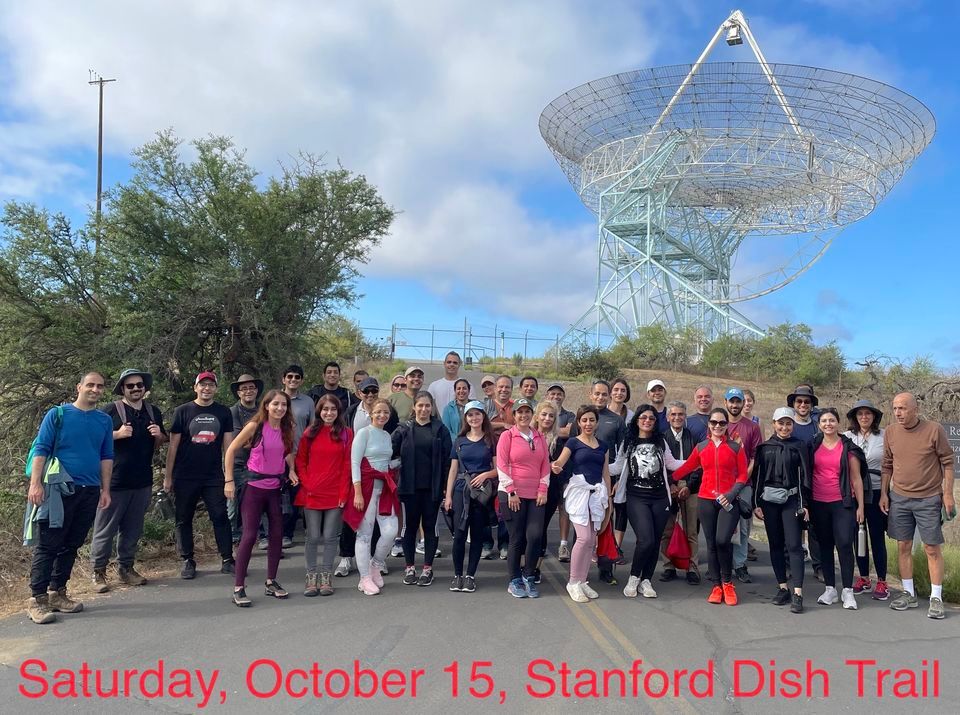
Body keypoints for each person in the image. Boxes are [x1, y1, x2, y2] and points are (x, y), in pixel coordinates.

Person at [24, 371, 114, 624]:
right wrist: (35, 485)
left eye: (99, 386)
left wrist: (105, 489)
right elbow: (41, 448)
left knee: (72, 543)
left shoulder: (104, 420)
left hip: (89, 489)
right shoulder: (58, 414)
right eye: (90, 385)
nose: (95, 390)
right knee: (49, 544)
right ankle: (37, 599)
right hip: (57, 489)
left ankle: (58, 592)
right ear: (79, 387)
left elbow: (106, 455)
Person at [90, 369, 167, 593]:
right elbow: (93, 439)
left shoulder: (153, 412)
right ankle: (98, 572)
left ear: (145, 388)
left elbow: (161, 441)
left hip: (142, 480)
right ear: (122, 389)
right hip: (114, 481)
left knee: (133, 529)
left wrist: (159, 436)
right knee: (105, 529)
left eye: (139, 385)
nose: (135, 389)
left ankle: (126, 568)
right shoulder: (110, 411)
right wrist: (116, 434)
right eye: (130, 386)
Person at [881, 392, 955, 619]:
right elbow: (887, 465)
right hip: (900, 498)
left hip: (928, 498)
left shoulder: (934, 429)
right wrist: (884, 493)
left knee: (931, 548)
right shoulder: (891, 432)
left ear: (915, 409)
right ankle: (908, 593)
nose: (897, 413)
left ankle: (936, 597)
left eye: (902, 408)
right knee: (903, 545)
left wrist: (948, 494)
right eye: (894, 408)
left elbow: (948, 462)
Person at [224, 390, 299, 606]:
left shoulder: (287, 428)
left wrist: (291, 470)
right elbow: (231, 451)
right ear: (266, 405)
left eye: (283, 405)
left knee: (277, 534)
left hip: (275, 487)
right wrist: (228, 480)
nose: (280, 408)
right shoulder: (255, 426)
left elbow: (287, 452)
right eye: (275, 404)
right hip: (254, 487)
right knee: (249, 536)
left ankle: (271, 581)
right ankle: (239, 587)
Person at [671, 407, 749, 605]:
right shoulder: (701, 446)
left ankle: (728, 583)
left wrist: (731, 495)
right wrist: (667, 480)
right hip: (705, 500)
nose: (717, 426)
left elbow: (742, 475)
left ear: (726, 425)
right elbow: (685, 468)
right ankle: (716, 586)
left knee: (723, 541)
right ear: (709, 424)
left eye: (722, 423)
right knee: (712, 544)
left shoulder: (735, 448)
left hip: (728, 501)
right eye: (714, 422)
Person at [164, 371, 235, 580]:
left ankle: (227, 559)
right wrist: (168, 477)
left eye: (211, 385)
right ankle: (187, 559)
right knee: (183, 518)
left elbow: (228, 448)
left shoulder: (223, 412)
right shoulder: (182, 411)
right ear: (195, 387)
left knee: (220, 516)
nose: (206, 388)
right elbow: (173, 447)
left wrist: (228, 477)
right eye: (202, 385)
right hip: (185, 475)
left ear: (215, 388)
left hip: (213, 476)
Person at [609, 405, 683, 600]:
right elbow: (617, 467)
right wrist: (593, 461)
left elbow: (672, 463)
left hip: (660, 498)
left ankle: (646, 580)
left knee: (655, 540)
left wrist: (698, 458)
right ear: (637, 420)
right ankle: (634, 577)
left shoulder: (661, 441)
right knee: (646, 539)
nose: (647, 421)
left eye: (651, 418)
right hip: (636, 497)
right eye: (643, 417)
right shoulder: (629, 441)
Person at [752, 407, 812, 614]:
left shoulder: (799, 446)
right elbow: (757, 478)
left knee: (794, 545)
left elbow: (805, 477)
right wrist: (755, 503)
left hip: (791, 500)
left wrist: (803, 505)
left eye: (788, 424)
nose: (784, 427)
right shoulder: (764, 447)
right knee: (775, 544)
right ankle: (782, 587)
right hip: (769, 502)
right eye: (781, 423)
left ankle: (798, 592)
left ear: (792, 425)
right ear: (774, 424)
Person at [392, 392, 452, 587]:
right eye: (420, 406)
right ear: (414, 407)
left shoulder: (439, 429)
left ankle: (427, 568)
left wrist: (444, 487)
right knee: (409, 528)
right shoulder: (404, 429)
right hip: (409, 488)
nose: (424, 410)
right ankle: (409, 567)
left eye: (427, 406)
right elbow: (388, 450)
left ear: (432, 407)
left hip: (432, 489)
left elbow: (447, 461)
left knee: (429, 527)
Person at [342, 398, 401, 595]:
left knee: (391, 530)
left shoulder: (386, 435)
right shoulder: (363, 433)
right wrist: (357, 491)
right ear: (371, 414)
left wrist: (399, 462)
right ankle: (364, 577)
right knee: (364, 535)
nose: (382, 415)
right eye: (378, 412)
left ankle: (376, 564)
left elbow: (384, 462)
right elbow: (355, 463)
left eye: (386, 412)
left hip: (383, 489)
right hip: (365, 489)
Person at [552, 405, 611, 602]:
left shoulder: (603, 446)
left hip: (597, 495)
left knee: (592, 540)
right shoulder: (573, 442)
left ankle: (583, 581)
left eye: (591, 420)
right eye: (584, 420)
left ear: (596, 422)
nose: (588, 423)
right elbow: (560, 461)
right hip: (579, 493)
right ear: (579, 422)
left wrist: (608, 501)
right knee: (584, 538)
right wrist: (556, 466)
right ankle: (573, 581)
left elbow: (605, 474)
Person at [295, 394, 352, 597]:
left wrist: (344, 493)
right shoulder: (310, 433)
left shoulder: (347, 434)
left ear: (338, 412)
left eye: (333, 409)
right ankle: (311, 576)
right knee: (313, 537)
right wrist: (307, 483)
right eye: (325, 409)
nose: (329, 413)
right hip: (312, 492)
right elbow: (300, 461)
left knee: (330, 537)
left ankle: (326, 575)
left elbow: (348, 465)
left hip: (335, 493)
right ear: (319, 411)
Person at [809, 408, 865, 610]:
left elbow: (857, 479)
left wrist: (861, 507)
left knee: (844, 544)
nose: (828, 424)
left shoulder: (847, 447)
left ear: (838, 423)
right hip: (818, 503)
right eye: (823, 421)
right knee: (824, 545)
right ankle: (830, 588)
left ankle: (847, 590)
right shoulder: (813, 445)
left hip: (843, 503)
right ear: (819, 424)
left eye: (831, 420)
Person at [497, 397, 550, 598]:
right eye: (520, 412)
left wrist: (543, 489)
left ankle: (529, 575)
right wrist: (511, 490)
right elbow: (501, 464)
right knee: (516, 538)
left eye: (527, 412)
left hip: (535, 495)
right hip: (512, 495)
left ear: (532, 415)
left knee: (535, 536)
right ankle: (514, 579)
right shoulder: (507, 436)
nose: (524, 415)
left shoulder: (539, 437)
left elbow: (545, 465)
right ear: (514, 414)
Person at [443, 401, 498, 593]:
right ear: (465, 418)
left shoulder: (491, 440)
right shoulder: (459, 441)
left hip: (481, 493)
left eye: (477, 414)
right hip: (460, 491)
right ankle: (457, 575)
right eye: (470, 415)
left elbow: (498, 469)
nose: (474, 418)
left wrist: (485, 475)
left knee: (476, 535)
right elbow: (453, 469)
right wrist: (448, 496)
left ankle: (470, 576)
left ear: (483, 416)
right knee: (459, 535)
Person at [845, 399, 889, 601]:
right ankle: (863, 577)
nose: (864, 417)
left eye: (868, 413)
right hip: (854, 493)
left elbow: (890, 464)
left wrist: (886, 492)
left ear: (874, 416)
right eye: (860, 414)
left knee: (877, 537)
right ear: (855, 417)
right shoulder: (847, 437)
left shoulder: (884, 436)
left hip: (878, 491)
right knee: (858, 536)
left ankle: (882, 580)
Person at [658, 401, 701, 585]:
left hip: (691, 488)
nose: (677, 418)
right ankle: (668, 566)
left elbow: (699, 465)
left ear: (685, 417)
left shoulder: (694, 438)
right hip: (670, 488)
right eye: (673, 414)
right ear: (668, 418)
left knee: (691, 530)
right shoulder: (662, 438)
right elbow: (661, 464)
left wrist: (688, 487)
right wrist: (672, 485)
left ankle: (692, 567)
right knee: (667, 530)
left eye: (681, 414)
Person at [590, 380, 627, 583]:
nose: (601, 397)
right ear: (591, 394)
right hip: (582, 480)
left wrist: (617, 480)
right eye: (597, 393)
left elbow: (622, 454)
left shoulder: (617, 420)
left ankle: (606, 570)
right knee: (583, 525)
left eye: (604, 394)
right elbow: (569, 448)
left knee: (605, 524)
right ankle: (578, 573)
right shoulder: (582, 417)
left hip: (607, 478)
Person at [725, 388, 763, 584]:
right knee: (722, 527)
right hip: (722, 485)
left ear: (742, 404)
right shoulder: (718, 425)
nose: (735, 405)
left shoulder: (752, 427)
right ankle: (722, 565)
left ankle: (739, 565)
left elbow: (755, 458)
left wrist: (741, 480)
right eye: (731, 401)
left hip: (744, 485)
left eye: (738, 401)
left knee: (742, 528)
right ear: (726, 403)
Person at [787, 385, 822, 580]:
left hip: (814, 482)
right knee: (792, 526)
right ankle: (791, 565)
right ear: (793, 404)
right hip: (791, 482)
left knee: (815, 527)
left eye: (806, 402)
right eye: (799, 401)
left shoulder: (817, 427)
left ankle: (819, 566)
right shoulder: (787, 424)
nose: (802, 405)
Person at [280, 364, 315, 548]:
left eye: (297, 377)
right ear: (283, 379)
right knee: (277, 497)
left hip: (301, 455)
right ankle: (272, 534)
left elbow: (313, 428)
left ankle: (288, 534)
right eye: (290, 376)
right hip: (278, 455)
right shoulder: (277, 399)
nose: (293, 380)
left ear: (301, 380)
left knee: (295, 496)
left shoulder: (308, 402)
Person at [227, 374, 263, 544]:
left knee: (259, 504)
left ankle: (262, 536)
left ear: (256, 390)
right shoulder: (232, 412)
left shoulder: (263, 411)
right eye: (244, 388)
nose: (248, 391)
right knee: (232, 505)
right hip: (237, 463)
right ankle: (232, 540)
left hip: (259, 466)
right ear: (238, 393)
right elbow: (236, 440)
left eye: (251, 388)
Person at [534, 399, 564, 583]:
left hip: (550, 490)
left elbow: (561, 464)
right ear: (537, 416)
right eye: (544, 414)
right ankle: (524, 564)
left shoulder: (558, 441)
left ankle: (535, 567)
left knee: (540, 528)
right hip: (528, 488)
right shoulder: (528, 436)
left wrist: (555, 466)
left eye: (551, 416)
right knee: (527, 529)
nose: (547, 418)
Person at [545, 383, 576, 561]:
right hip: (544, 470)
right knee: (543, 509)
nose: (555, 397)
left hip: (564, 470)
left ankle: (563, 545)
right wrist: (559, 430)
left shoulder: (569, 415)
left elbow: (569, 431)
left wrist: (550, 429)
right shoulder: (540, 412)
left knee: (564, 508)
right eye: (552, 393)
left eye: (559, 394)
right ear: (547, 395)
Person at [489, 375, 515, 441]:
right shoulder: (485, 406)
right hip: (489, 445)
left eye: (507, 387)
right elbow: (481, 424)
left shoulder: (517, 408)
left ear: (511, 390)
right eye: (501, 387)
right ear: (495, 388)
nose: (503, 390)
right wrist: (503, 425)